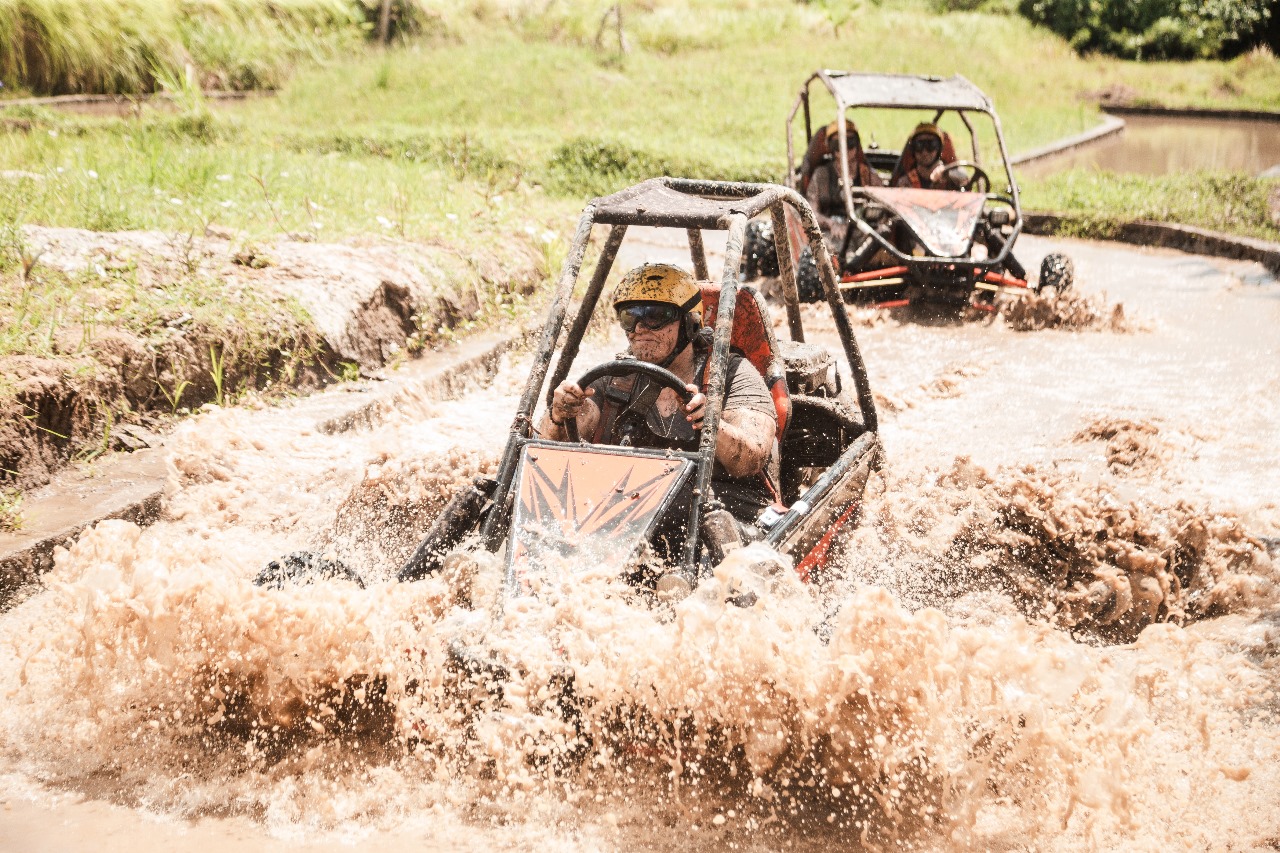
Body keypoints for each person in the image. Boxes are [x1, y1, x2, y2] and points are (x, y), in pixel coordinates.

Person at [539, 263, 778, 524]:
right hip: (632, 507)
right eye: (630, 317)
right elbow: (549, 453)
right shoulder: (615, 378)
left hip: (721, 506)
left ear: (689, 322)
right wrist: (559, 414)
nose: (640, 328)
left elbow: (752, 458)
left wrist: (713, 425)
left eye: (654, 316)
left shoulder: (732, 374)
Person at [800, 120, 883, 250]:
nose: (844, 149)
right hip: (830, 233)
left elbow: (883, 211)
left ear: (857, 144)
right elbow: (810, 212)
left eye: (850, 143)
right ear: (830, 147)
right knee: (827, 248)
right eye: (837, 144)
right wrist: (831, 223)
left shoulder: (869, 176)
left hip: (862, 232)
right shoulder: (821, 175)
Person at [891, 123, 960, 190]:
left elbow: (963, 178)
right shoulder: (905, 183)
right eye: (919, 145)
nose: (925, 152)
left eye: (931, 145)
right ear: (913, 149)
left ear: (939, 149)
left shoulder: (950, 179)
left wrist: (948, 173)